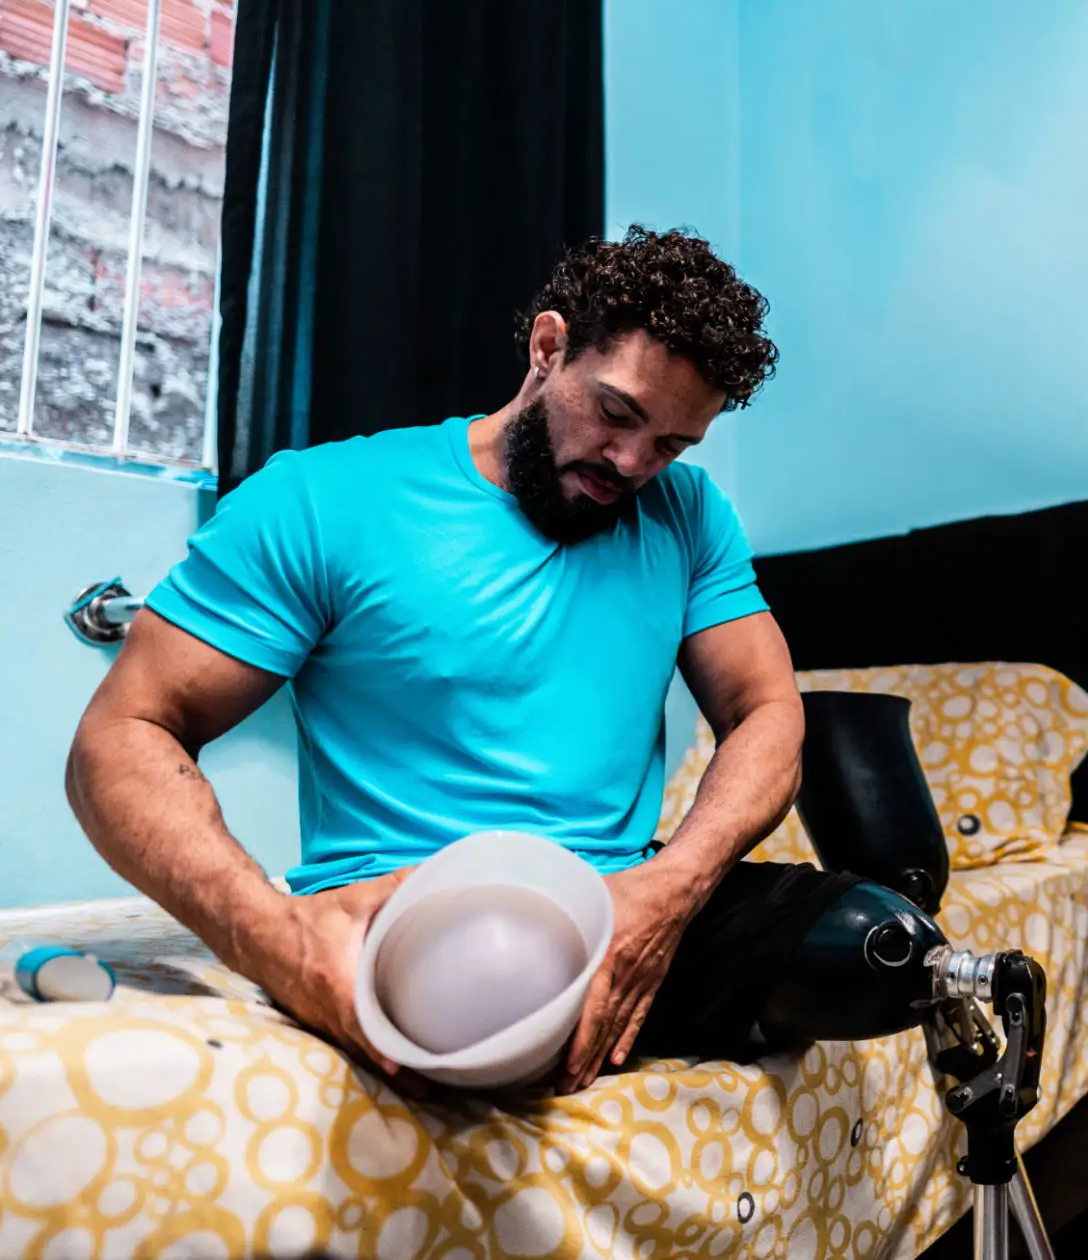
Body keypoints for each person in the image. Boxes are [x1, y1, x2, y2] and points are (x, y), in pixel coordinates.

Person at [65, 226, 855, 1094]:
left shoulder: (689, 514)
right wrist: (279, 939)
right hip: (413, 908)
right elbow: (121, 734)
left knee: (873, 948)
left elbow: (768, 712)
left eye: (670, 444)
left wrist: (669, 890)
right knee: (481, 988)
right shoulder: (326, 499)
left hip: (622, 901)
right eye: (618, 413)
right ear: (548, 347)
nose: (632, 463)